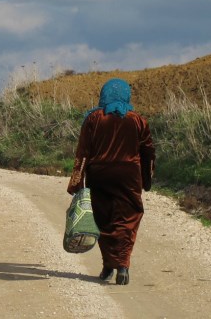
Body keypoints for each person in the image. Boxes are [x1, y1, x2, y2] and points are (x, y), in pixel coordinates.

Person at [67, 78, 155, 285]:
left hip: (100, 175)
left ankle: (108, 266)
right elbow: (148, 152)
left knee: (103, 219)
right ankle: (123, 266)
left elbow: (83, 152)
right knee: (127, 220)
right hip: (128, 177)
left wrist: (77, 182)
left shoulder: (93, 118)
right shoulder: (138, 120)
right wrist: (146, 179)